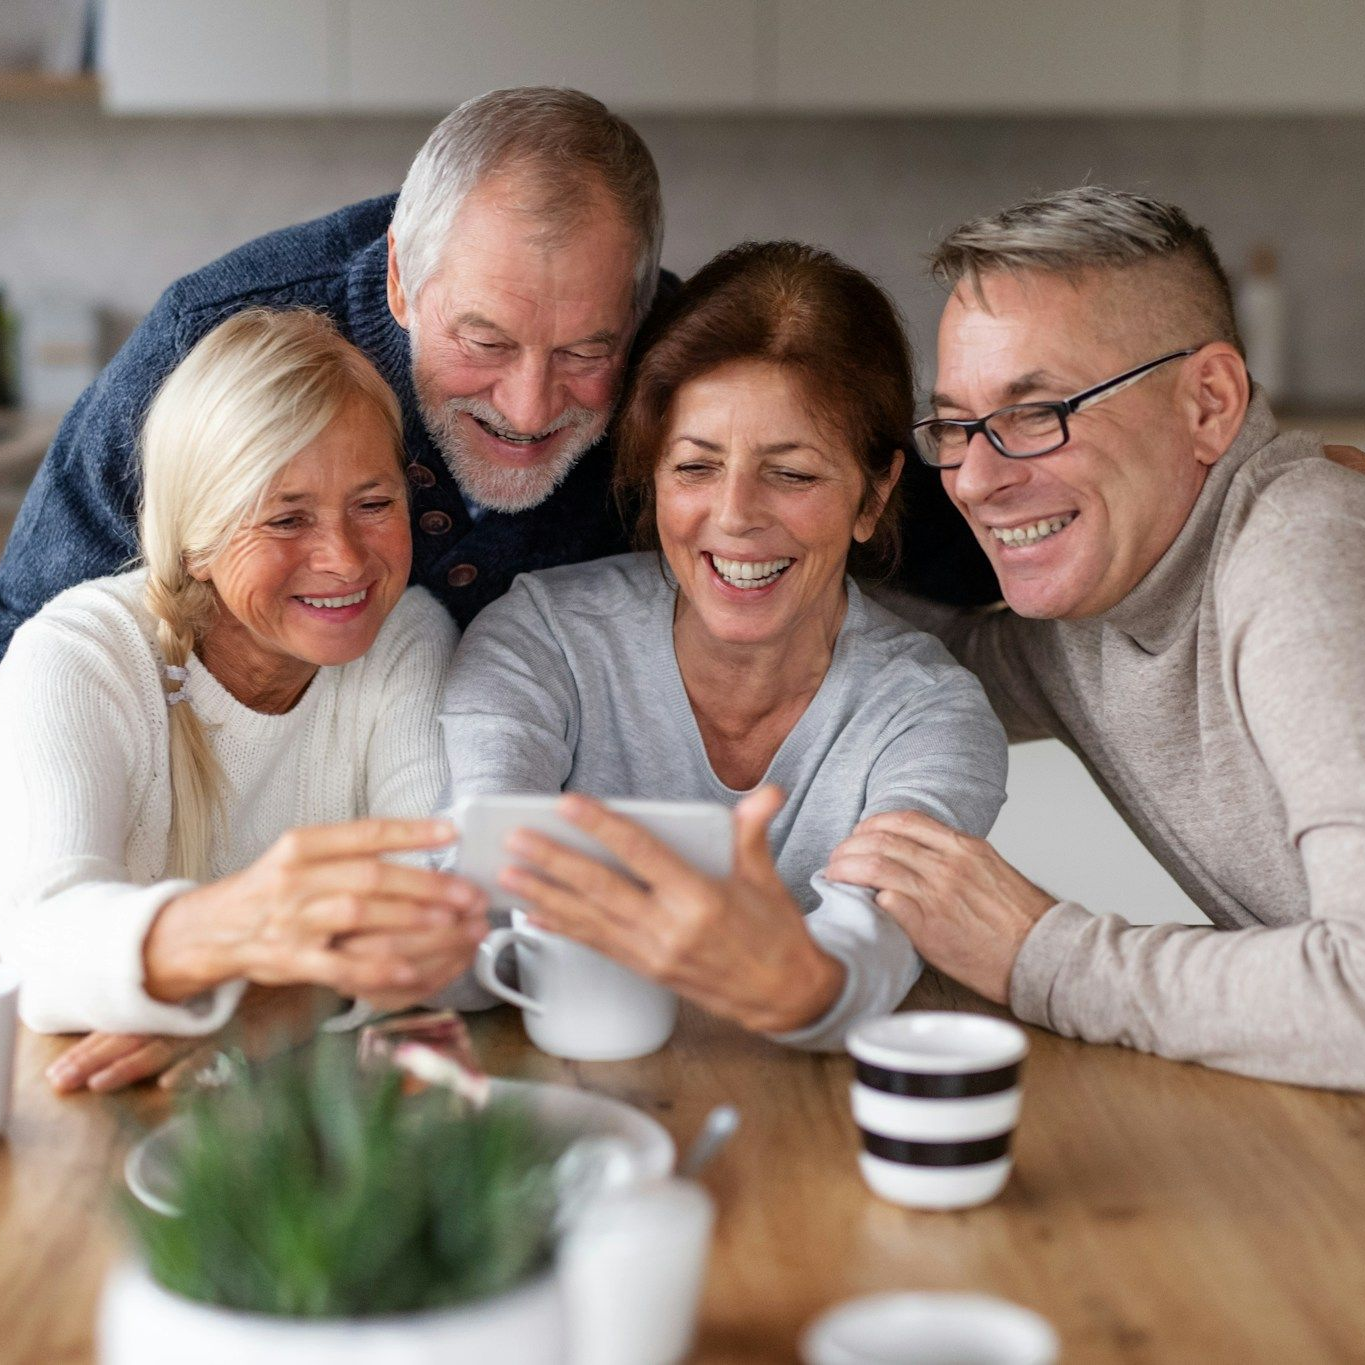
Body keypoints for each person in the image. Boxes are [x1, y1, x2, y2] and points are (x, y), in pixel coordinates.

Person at [0, 88, 996, 662]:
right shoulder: (210, 346)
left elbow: (932, 528)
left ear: (641, 312)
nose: (527, 408)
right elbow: (28, 641)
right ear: (401, 279)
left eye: (585, 354)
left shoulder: (689, 362)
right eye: (483, 343)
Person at [827, 186, 1365, 1088]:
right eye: (956, 425)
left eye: (1038, 412)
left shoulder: (1299, 550)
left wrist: (1037, 950)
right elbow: (914, 667)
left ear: (1208, 403)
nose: (974, 480)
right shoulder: (1095, 619)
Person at [438, 242, 1007, 1050]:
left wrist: (796, 980)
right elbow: (474, 887)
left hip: (815, 1125)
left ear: (873, 494)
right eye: (695, 466)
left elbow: (873, 944)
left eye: (793, 474)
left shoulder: (929, 715)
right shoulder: (541, 641)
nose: (735, 515)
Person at [0, 308, 489, 1092]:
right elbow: (34, 948)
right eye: (287, 517)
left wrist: (272, 1001)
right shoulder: (76, 655)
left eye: (373, 502)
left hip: (289, 1104)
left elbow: (442, 923)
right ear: (195, 538)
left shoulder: (407, 636)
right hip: (82, 1101)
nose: (344, 560)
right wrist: (248, 927)